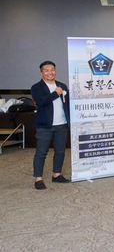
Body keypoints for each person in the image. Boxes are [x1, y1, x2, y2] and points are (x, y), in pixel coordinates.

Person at [31, 60, 71, 190]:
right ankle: (38, 179)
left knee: (60, 151)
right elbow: (41, 102)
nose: (50, 72)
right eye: (47, 70)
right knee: (41, 152)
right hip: (45, 126)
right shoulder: (36, 87)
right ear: (41, 73)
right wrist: (55, 93)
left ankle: (57, 174)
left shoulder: (62, 85)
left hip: (62, 124)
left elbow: (68, 104)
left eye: (52, 70)